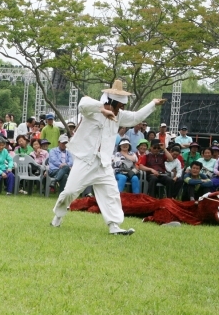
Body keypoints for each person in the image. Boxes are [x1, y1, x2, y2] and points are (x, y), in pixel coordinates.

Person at [52, 80, 166, 235]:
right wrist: (102, 110)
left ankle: (114, 226)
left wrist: (152, 103)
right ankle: (58, 216)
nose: (122, 109)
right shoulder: (92, 111)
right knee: (70, 191)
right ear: (111, 102)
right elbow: (83, 104)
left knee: (111, 194)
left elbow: (135, 118)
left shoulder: (119, 116)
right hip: (86, 161)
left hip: (104, 163)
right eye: (120, 105)